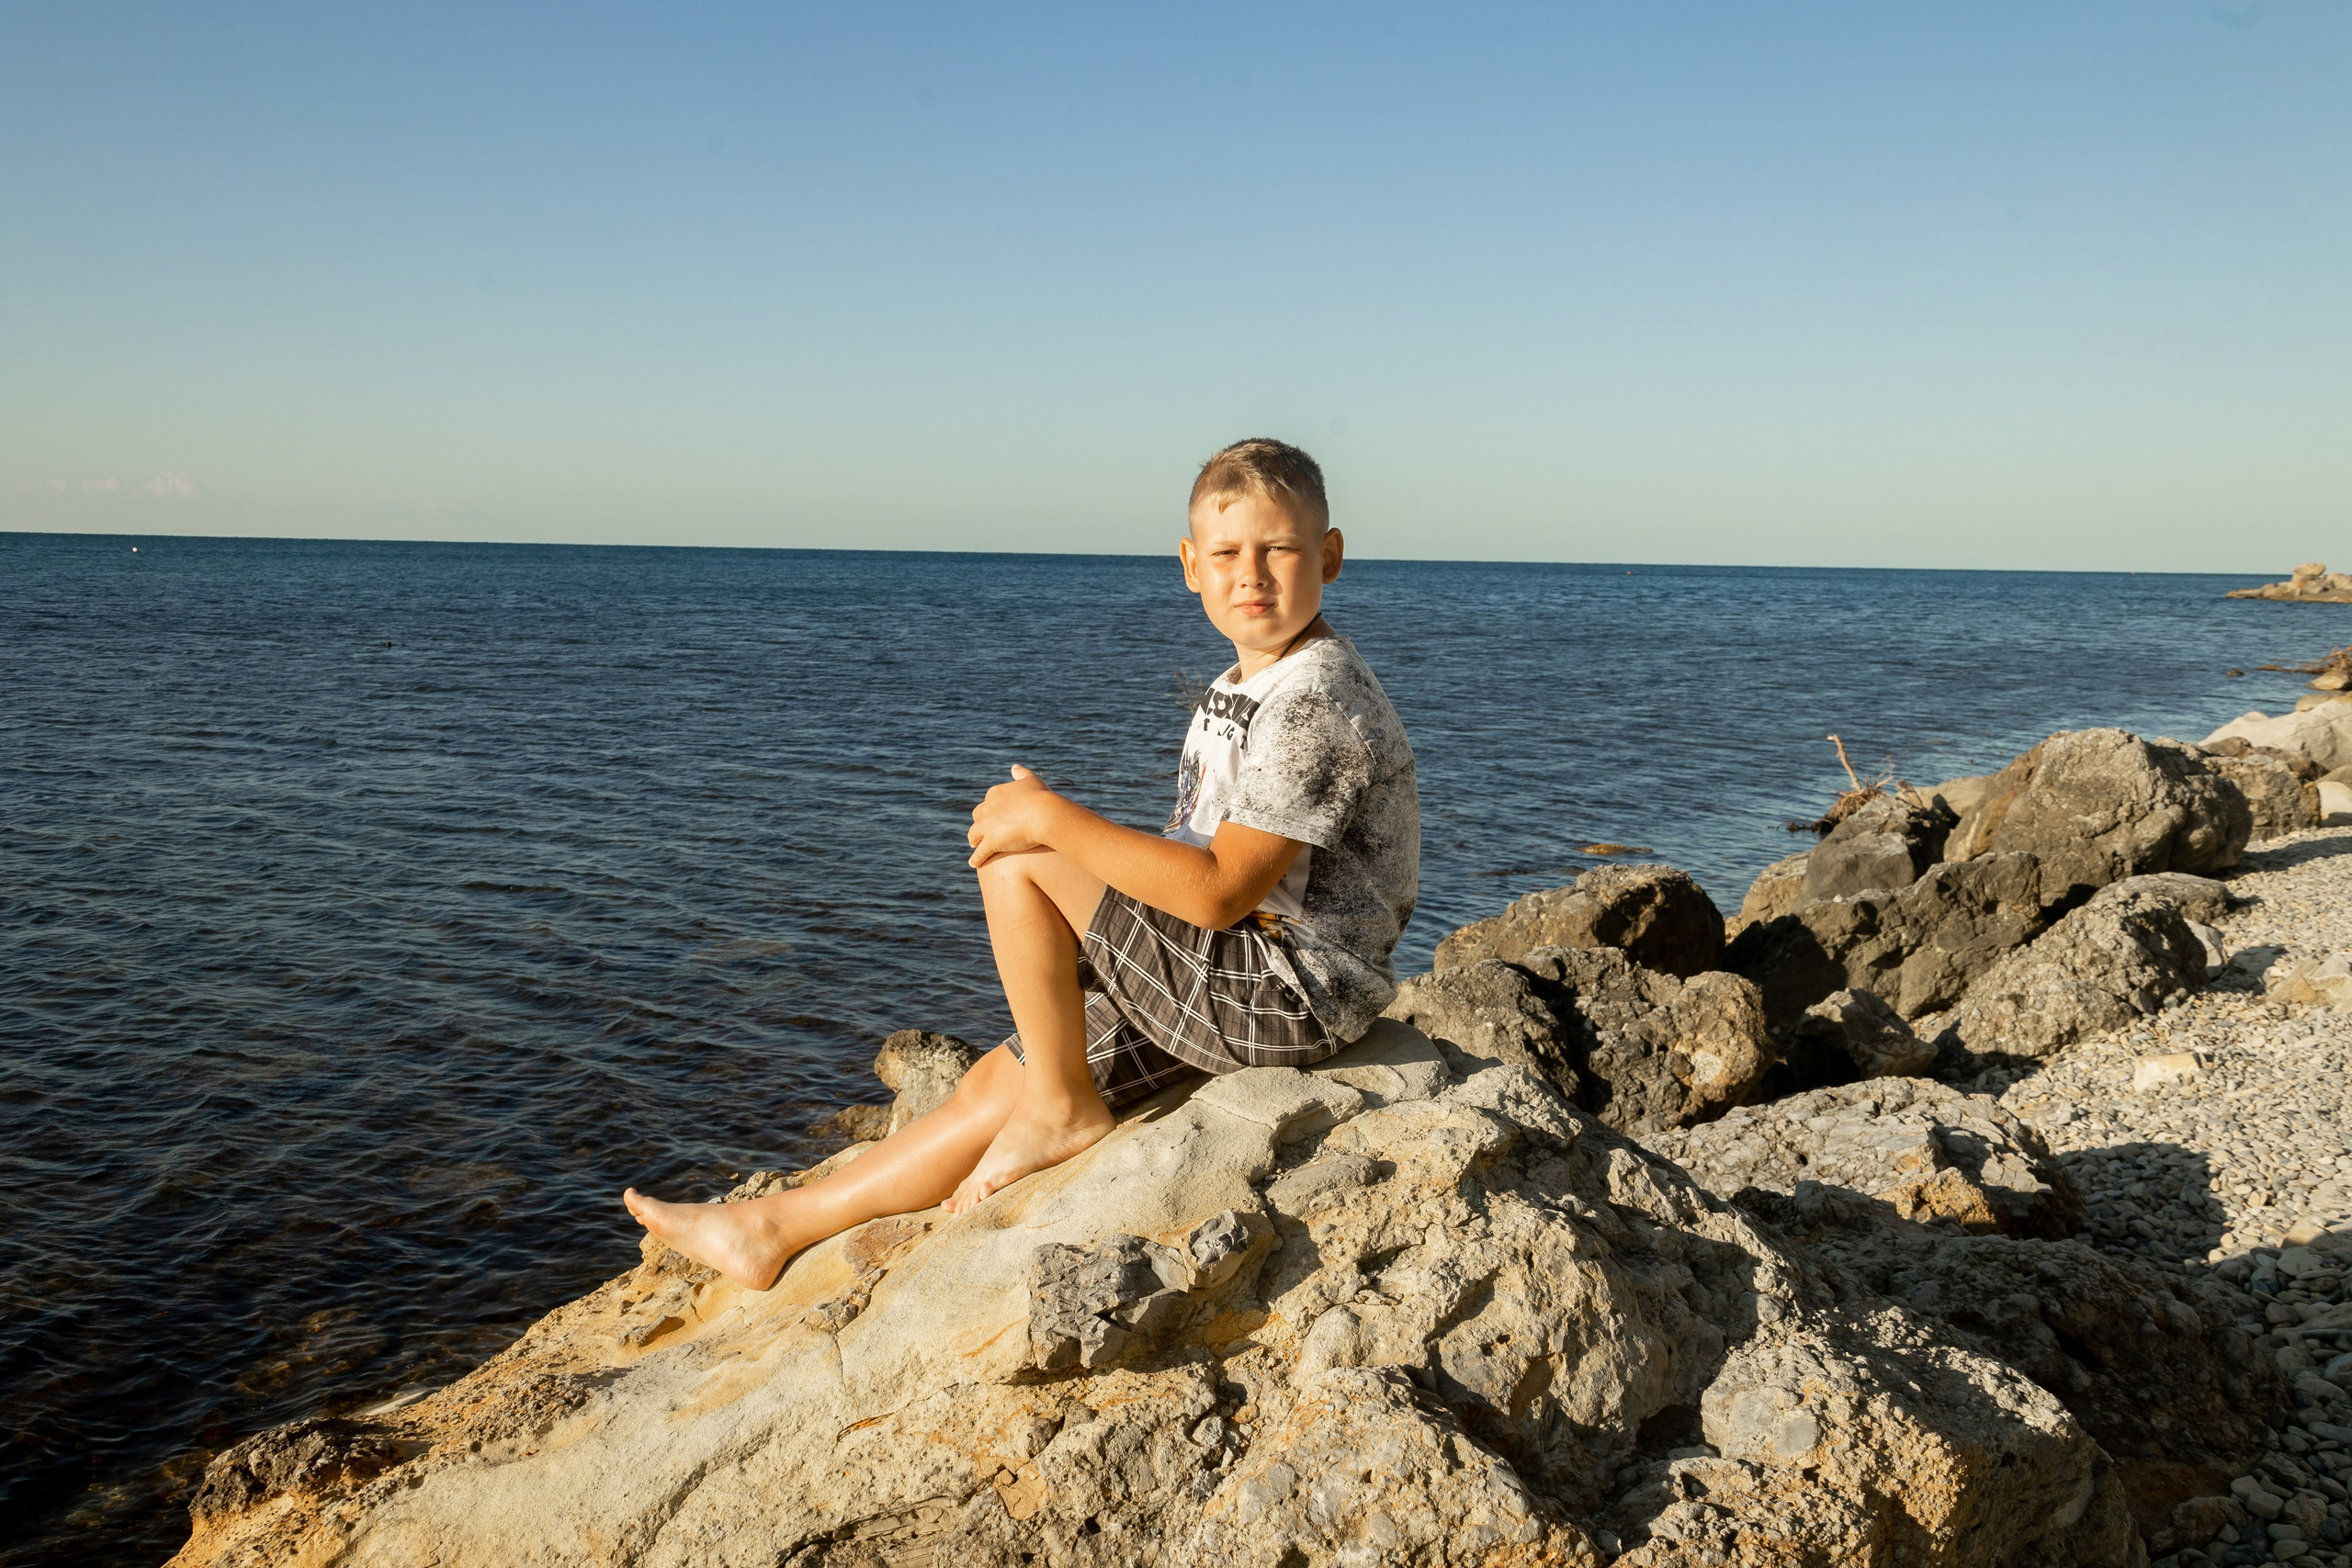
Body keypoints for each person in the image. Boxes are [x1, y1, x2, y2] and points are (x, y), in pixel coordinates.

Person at [625, 438, 1419, 1289]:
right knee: (997, 1081)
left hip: (1285, 993)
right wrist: (1093, 933)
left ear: (1329, 556)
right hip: (1240, 977)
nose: (1251, 575)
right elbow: (1190, 868)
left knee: (1019, 855)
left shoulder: (1317, 700)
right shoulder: (1249, 682)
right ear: (1191, 565)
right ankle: (771, 1228)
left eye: (1280, 549)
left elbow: (1223, 892)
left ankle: (1063, 1110)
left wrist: (1056, 822)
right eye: (1226, 553)